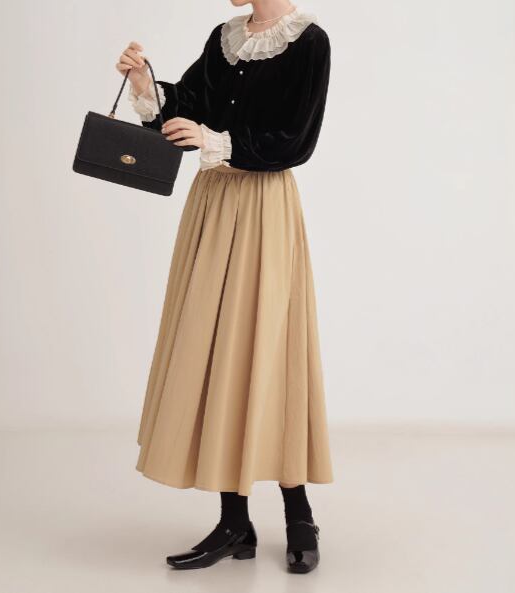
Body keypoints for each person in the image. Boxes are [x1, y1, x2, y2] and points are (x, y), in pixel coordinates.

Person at [116, 0, 333, 574]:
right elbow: (190, 106)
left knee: (270, 351)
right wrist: (145, 84)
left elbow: (296, 140)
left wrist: (216, 141)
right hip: (213, 205)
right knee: (216, 351)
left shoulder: (309, 42)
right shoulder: (226, 36)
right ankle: (235, 521)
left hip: (263, 208)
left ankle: (299, 514)